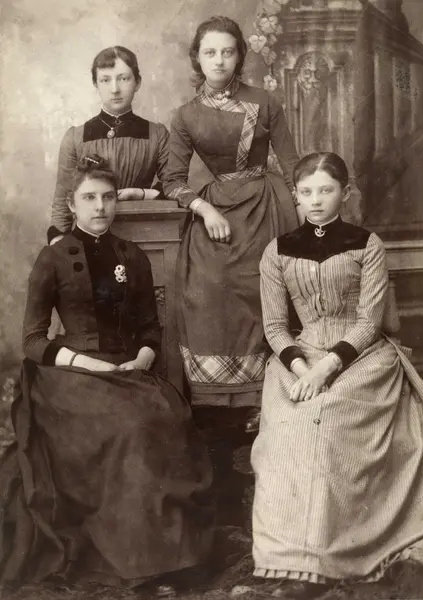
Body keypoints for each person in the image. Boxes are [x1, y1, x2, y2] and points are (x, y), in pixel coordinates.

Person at [0, 156, 213, 597]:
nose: (100, 207)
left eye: (108, 197)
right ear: (72, 205)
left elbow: (149, 327)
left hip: (126, 368)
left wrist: (141, 360)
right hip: (69, 377)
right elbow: (33, 340)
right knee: (127, 428)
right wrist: (90, 365)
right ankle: (138, 559)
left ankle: (173, 553)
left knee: (166, 418)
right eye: (89, 198)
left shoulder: (132, 256)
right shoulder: (53, 257)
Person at [251, 152, 423, 599]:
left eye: (326, 190)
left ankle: (333, 554)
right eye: (306, 191)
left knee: (331, 419)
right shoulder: (277, 251)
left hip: (360, 355)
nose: (316, 200)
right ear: (295, 195)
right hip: (300, 356)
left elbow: (369, 323)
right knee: (289, 433)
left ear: (345, 193)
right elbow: (275, 326)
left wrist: (328, 368)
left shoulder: (366, 244)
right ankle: (291, 557)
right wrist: (302, 368)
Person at [163, 16, 299, 525]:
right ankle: (219, 436)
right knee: (208, 290)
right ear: (197, 58)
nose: (219, 60)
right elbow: (173, 180)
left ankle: (267, 426)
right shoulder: (184, 115)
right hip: (216, 212)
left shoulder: (266, 102)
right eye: (209, 53)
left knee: (268, 296)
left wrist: (305, 214)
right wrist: (205, 209)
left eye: (227, 51)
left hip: (266, 207)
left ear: (240, 55)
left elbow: (294, 164)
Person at [49, 46, 169, 245]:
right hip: (88, 241)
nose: (115, 89)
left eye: (124, 78)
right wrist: (58, 246)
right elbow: (63, 200)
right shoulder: (76, 137)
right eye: (105, 80)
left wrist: (140, 194)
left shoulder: (157, 134)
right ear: (95, 83)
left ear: (137, 82)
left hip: (142, 235)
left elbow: (175, 185)